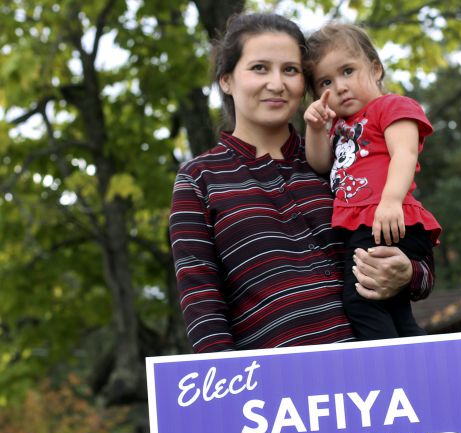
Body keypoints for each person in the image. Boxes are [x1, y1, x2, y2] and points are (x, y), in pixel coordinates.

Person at [169, 12, 435, 353]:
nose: (277, 83)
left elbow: (420, 263)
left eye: (290, 70)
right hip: (285, 392)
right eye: (259, 68)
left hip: (379, 376)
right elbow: (203, 307)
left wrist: (408, 273)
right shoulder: (198, 180)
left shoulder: (345, 157)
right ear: (227, 80)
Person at [303, 23, 442, 340]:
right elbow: (321, 163)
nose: (339, 86)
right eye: (326, 81)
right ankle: (418, 356)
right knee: (391, 306)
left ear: (375, 68)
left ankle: (386, 367)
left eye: (348, 71)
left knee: (360, 299)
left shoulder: (391, 107)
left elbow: (404, 154)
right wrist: (314, 127)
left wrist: (390, 201)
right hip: (362, 225)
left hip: (388, 219)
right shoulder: (338, 126)